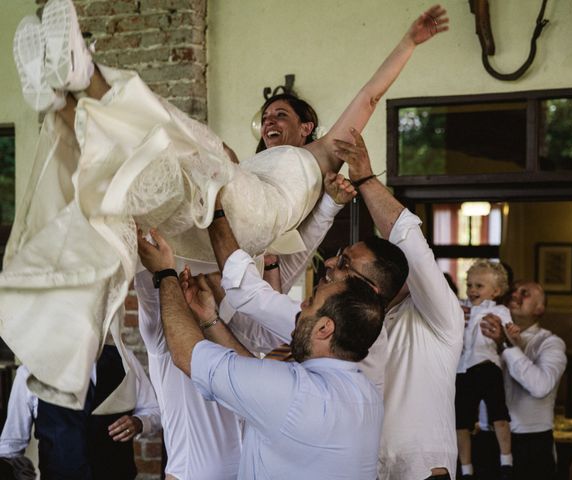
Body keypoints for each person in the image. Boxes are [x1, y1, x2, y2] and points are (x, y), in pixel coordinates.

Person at [1, 0, 448, 410]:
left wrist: (409, 42)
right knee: (156, 176)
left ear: (308, 126)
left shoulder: (326, 151)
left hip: (253, 216)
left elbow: (369, 96)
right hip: (222, 219)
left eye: (282, 115)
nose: (270, 120)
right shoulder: (249, 164)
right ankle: (65, 97)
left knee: (198, 155)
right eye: (266, 116)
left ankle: (87, 78)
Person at [137, 223, 386, 479]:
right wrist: (211, 320)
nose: (300, 306)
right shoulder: (366, 395)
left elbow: (186, 355)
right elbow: (255, 374)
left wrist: (165, 272)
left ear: (324, 328)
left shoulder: (295, 393)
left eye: (310, 304)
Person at [331, 130, 464, 479]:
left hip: (420, 469)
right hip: (364, 467)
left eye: (346, 263)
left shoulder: (439, 317)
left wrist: (364, 179)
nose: (333, 268)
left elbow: (411, 243)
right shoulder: (354, 322)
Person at [0, 348, 161, 480]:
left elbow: (153, 410)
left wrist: (139, 422)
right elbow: (11, 446)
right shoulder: (30, 371)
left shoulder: (124, 359)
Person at [478, 281, 567, 480]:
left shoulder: (550, 343)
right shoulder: (485, 336)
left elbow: (540, 386)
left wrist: (505, 345)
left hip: (531, 443)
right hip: (488, 437)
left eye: (524, 293)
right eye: (514, 291)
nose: (515, 295)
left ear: (539, 308)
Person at [455, 260, 513, 479]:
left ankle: (506, 459)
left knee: (499, 413)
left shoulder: (499, 310)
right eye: (469, 285)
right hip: (463, 369)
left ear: (496, 291)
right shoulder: (462, 307)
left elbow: (507, 333)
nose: (472, 290)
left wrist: (510, 331)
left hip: (487, 365)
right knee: (461, 421)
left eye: (479, 286)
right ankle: (466, 467)